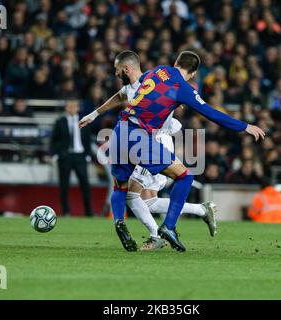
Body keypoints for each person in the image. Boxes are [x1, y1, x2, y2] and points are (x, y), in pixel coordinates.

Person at [81, 50, 265, 252]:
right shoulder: (183, 87)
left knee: (120, 187)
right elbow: (211, 113)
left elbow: (125, 91)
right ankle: (168, 227)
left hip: (119, 130)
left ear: (176, 61)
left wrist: (94, 114)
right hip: (141, 137)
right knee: (184, 177)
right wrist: (244, 126)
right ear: (194, 73)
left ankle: (119, 222)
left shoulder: (158, 71)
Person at [50, 100, 93, 217]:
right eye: (70, 106)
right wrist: (55, 155)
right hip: (65, 157)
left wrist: (87, 155)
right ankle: (65, 212)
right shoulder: (60, 122)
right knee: (64, 186)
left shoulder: (84, 121)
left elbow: (87, 139)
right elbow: (54, 140)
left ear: (78, 108)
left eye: (74, 106)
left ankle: (89, 213)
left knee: (85, 185)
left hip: (80, 156)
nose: (72, 108)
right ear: (66, 108)